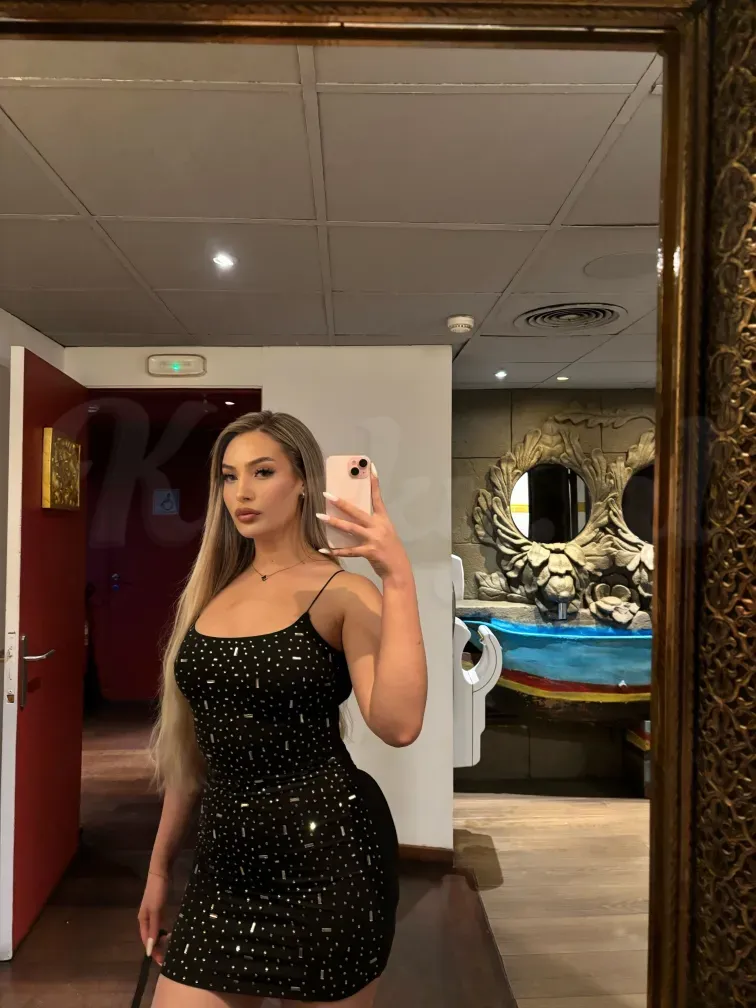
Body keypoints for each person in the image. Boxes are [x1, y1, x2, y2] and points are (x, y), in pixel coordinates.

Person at [138, 411, 428, 1008]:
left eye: (262, 472)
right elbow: (191, 752)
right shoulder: (209, 592)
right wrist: (160, 869)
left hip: (330, 864)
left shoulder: (343, 592)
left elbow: (399, 725)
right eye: (229, 476)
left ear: (302, 483)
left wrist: (398, 577)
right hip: (223, 869)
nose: (241, 492)